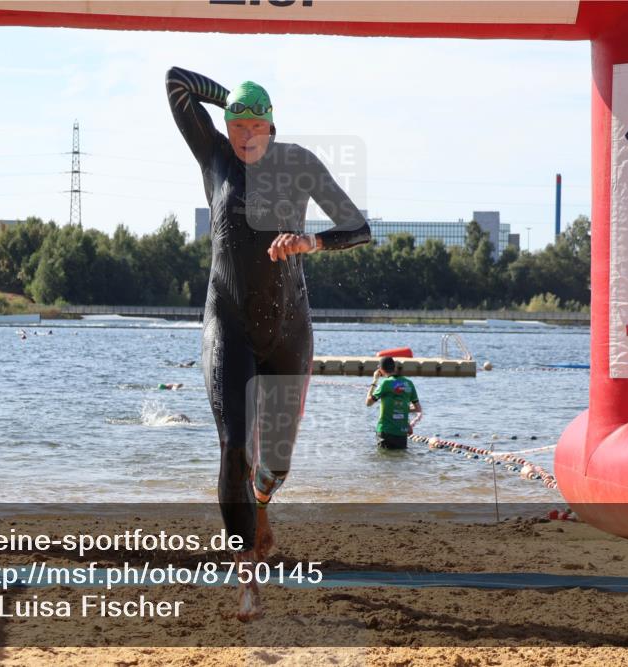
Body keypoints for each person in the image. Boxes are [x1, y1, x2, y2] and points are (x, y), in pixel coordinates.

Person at [166, 66, 371, 621]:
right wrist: (225, 97)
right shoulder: (215, 158)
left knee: (274, 463)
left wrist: (311, 241)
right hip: (227, 321)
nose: (247, 135)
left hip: (287, 328)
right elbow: (176, 83)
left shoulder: (298, 164)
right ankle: (247, 575)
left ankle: (262, 503)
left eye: (256, 124)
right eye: (237, 125)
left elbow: (359, 227)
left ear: (273, 127)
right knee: (234, 447)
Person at [365, 357, 422, 449]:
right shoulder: (409, 383)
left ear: (381, 370)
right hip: (401, 432)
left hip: (386, 431)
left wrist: (374, 381)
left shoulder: (385, 383)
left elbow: (368, 403)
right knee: (400, 459)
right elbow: (418, 408)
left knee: (384, 459)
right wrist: (401, 410)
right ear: (394, 368)